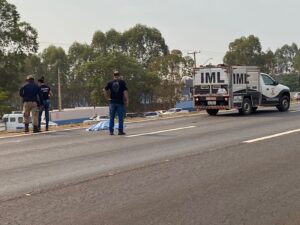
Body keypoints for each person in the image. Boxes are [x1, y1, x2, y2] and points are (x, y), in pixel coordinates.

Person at [103, 70, 129, 135]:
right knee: (120, 117)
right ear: (119, 75)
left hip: (112, 103)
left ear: (113, 75)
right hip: (120, 102)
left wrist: (107, 98)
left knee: (111, 117)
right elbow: (125, 92)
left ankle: (111, 131)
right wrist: (127, 100)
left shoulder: (110, 82)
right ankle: (120, 131)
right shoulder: (122, 82)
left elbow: (104, 90)